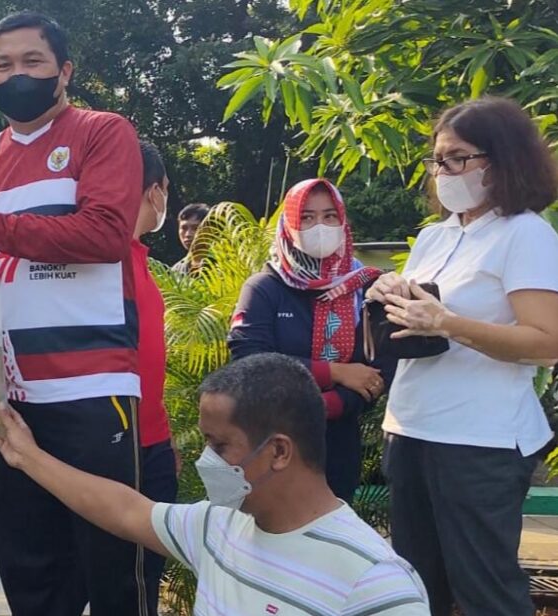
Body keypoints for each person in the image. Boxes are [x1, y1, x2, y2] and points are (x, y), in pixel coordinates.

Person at [0, 352, 430, 615]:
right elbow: (123, 508)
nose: (205, 460)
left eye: (219, 445)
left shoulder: (377, 585)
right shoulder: (218, 528)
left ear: (279, 451)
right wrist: (27, 458)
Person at [0, 11, 146, 615]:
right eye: (1, 64)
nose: (16, 75)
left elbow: (106, 233)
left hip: (91, 389)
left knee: (113, 563)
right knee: (29, 568)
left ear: (64, 71)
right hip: (8, 397)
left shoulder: (102, 132)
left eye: (32, 62)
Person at [366, 96, 558, 616]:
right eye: (436, 159)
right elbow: (424, 315)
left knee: (484, 592)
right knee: (417, 586)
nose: (442, 171)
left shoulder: (526, 233)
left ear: (501, 159)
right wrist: (393, 294)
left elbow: (547, 341)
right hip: (412, 428)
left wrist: (447, 322)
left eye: (456, 158)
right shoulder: (436, 235)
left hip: (480, 442)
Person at [228, 178, 392, 501]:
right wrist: (335, 372)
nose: (320, 226)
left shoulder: (364, 286)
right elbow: (250, 363)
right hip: (271, 442)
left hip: (338, 447)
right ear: (290, 223)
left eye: (330, 216)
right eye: (307, 217)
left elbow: (374, 373)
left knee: (328, 539)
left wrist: (327, 405)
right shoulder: (264, 289)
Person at [131, 140, 179, 609]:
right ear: (156, 191)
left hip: (149, 447)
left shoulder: (136, 258)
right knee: (135, 584)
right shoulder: (110, 262)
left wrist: (164, 445)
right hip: (127, 455)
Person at [171, 202, 209, 274]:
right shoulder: (176, 271)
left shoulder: (225, 266)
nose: (188, 234)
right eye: (184, 228)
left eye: (195, 228)